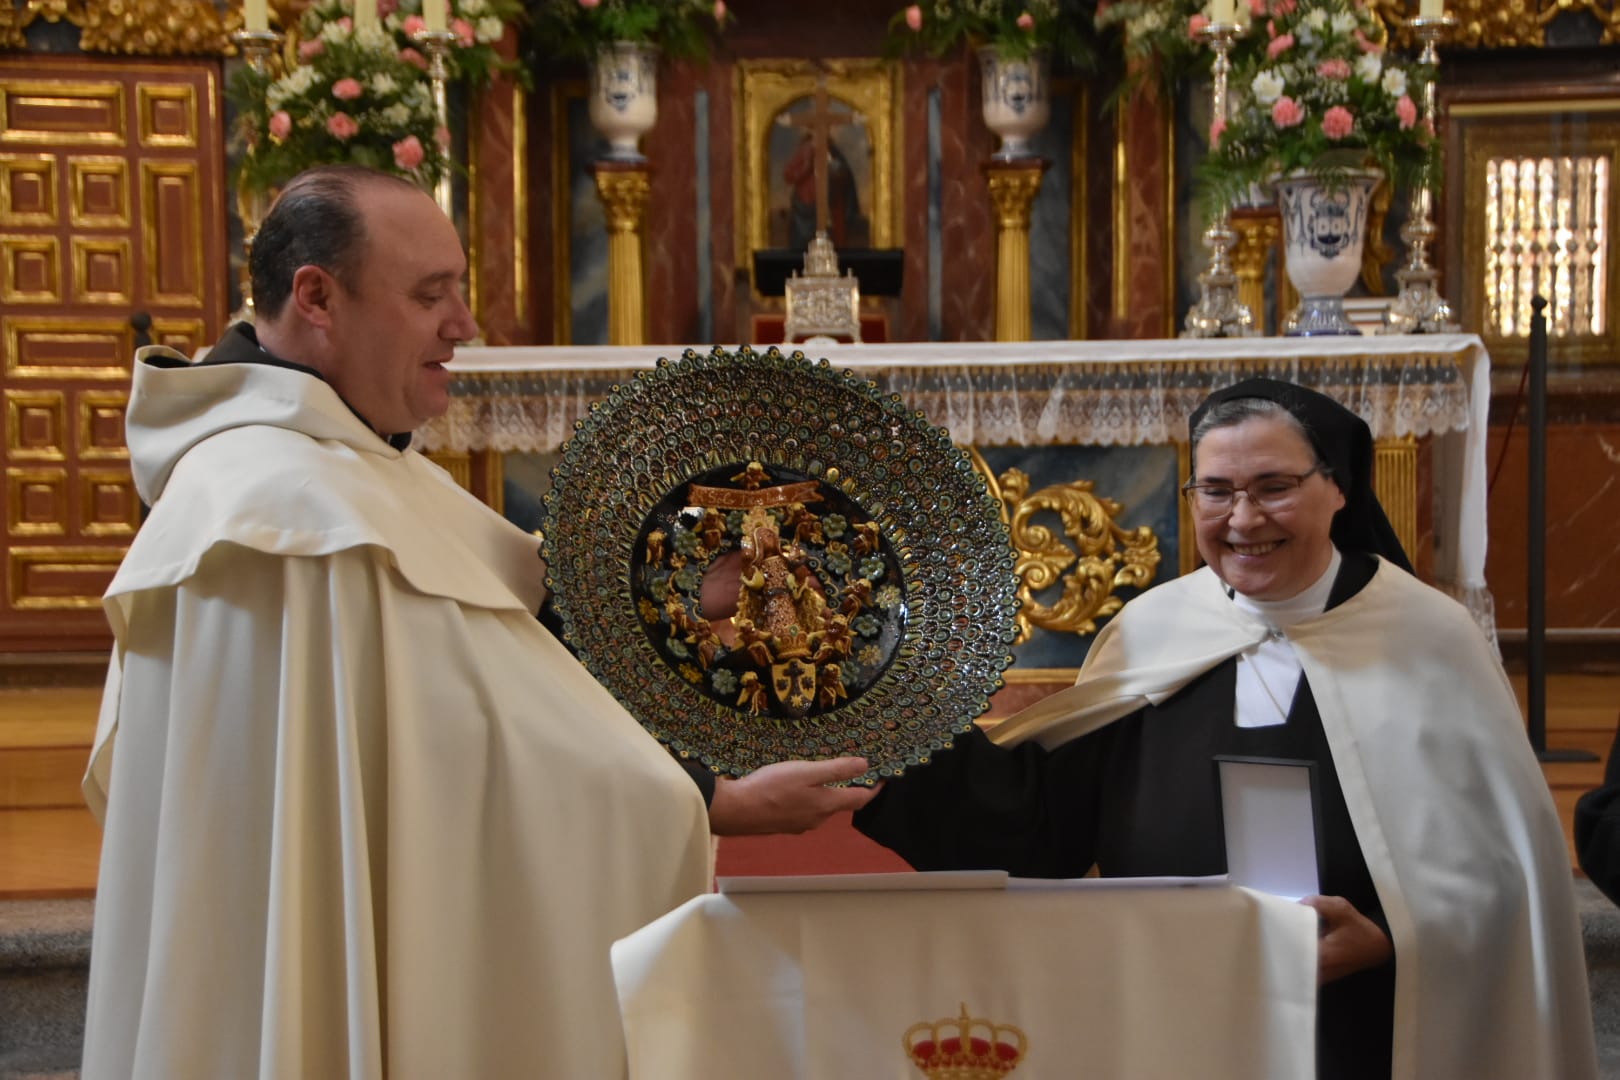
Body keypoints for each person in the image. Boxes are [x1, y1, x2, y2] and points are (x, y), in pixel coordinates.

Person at [80, 165, 871, 1080]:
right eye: (430, 296)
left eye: (459, 290)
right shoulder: (274, 511)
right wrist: (706, 800)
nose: (463, 326)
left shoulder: (348, 462)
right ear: (316, 296)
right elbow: (462, 752)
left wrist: (682, 602)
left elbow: (501, 638)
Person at [854, 378, 1596, 1080]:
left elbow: (1510, 874)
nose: (1243, 519)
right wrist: (897, 722)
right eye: (1216, 491)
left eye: (1274, 487)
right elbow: (1040, 822)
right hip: (1178, 1005)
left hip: (1363, 1024)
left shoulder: (1429, 638)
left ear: (1337, 488)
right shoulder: (1156, 629)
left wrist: (1391, 935)